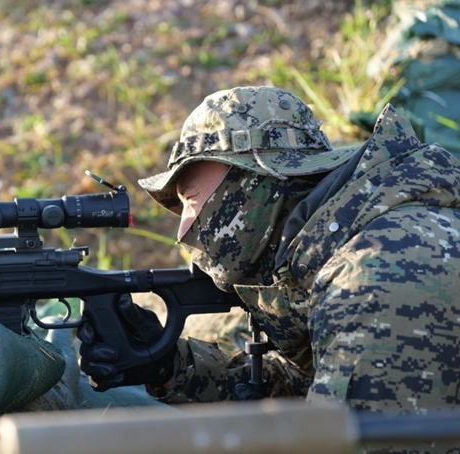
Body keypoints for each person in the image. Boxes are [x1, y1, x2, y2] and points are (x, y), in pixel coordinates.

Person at [78, 86, 460, 415]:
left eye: (191, 199)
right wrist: (169, 367)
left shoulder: (378, 275)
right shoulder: (341, 252)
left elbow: (348, 438)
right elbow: (307, 386)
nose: (184, 230)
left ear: (259, 178)